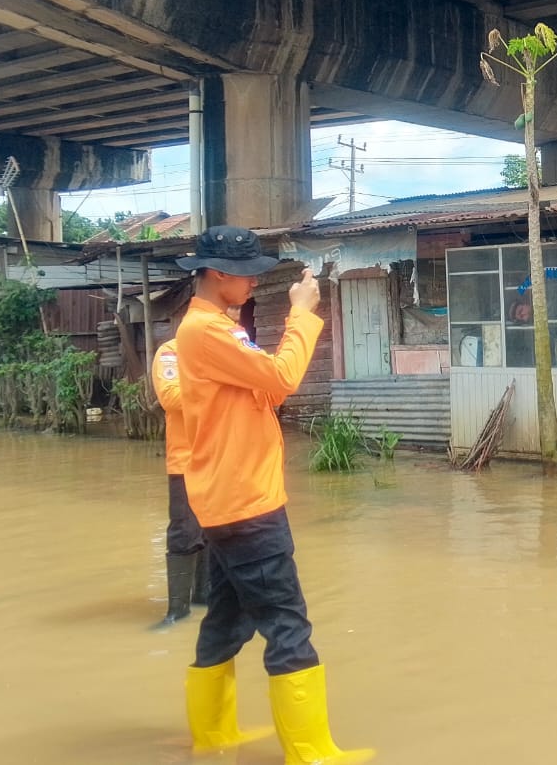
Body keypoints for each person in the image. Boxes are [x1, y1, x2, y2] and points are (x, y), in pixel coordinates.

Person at [175, 226, 372, 764]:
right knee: (287, 621)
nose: (254, 284)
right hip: (246, 504)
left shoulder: (215, 328)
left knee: (226, 616)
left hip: (227, 498)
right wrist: (303, 313)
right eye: (247, 275)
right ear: (218, 274)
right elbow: (283, 378)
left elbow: (259, 385)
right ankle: (311, 753)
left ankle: (213, 737)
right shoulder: (207, 332)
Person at [149, 336, 209, 629]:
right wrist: (213, 385)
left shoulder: (230, 346)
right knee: (184, 531)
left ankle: (204, 596)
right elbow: (170, 398)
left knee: (213, 529)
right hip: (186, 461)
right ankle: (178, 611)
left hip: (220, 459)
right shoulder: (171, 352)